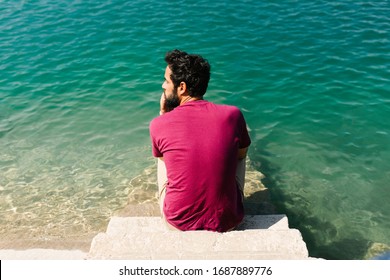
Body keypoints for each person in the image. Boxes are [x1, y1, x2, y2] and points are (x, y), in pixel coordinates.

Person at [149, 49, 251, 232]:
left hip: (178, 224)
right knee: (240, 154)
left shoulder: (158, 124)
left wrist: (163, 115)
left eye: (166, 80)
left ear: (181, 87)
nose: (163, 86)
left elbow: (169, 161)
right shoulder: (233, 114)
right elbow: (241, 155)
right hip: (228, 221)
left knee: (163, 156)